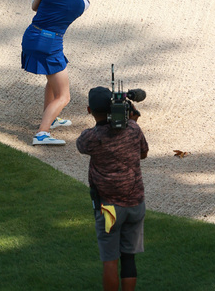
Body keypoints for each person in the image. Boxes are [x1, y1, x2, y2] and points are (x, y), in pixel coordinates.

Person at [76, 86, 148, 291]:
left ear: (89, 110)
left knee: (110, 260)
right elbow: (143, 154)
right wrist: (132, 121)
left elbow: (80, 144)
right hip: (136, 205)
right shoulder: (134, 129)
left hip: (109, 209)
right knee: (128, 259)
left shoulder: (91, 138)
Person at [21, 0, 97, 145]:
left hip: (31, 36)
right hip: (50, 45)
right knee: (64, 96)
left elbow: (35, 7)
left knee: (52, 82)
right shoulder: (83, 4)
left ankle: (51, 118)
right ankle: (42, 133)